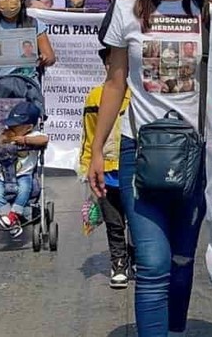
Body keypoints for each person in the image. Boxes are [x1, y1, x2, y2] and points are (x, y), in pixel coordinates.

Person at [87, 0, 212, 337]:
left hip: (198, 157)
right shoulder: (126, 12)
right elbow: (115, 83)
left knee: (183, 261)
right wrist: (98, 152)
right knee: (152, 263)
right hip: (140, 155)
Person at [81, 80, 134, 288]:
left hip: (135, 170)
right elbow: (89, 132)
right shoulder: (95, 96)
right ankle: (118, 263)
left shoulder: (138, 95)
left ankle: (136, 258)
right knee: (114, 223)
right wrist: (87, 164)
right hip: (108, 171)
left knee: (138, 223)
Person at [0, 101, 49, 238]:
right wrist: (6, 139)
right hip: (2, 175)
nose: (11, 126)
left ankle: (14, 214)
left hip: (24, 175)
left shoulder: (33, 135)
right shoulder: (8, 134)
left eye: (15, 125)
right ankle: (10, 218)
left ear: (28, 127)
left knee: (24, 190)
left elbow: (44, 140)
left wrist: (24, 140)